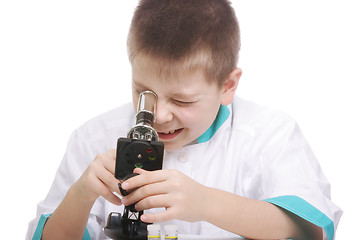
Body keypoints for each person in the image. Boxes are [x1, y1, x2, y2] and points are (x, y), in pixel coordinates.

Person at [26, 0, 342, 239]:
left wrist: (206, 202)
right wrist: (82, 193)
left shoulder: (270, 134)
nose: (160, 116)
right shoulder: (94, 139)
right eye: (143, 91)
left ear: (227, 86)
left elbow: (308, 229)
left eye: (182, 100)